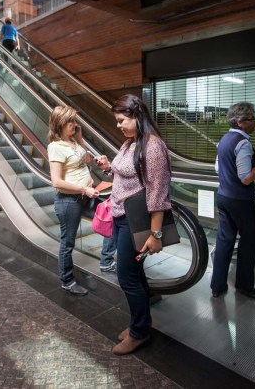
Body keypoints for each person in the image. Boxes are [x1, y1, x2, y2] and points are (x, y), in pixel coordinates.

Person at [95, 94, 172, 355]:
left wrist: (156, 233)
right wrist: (109, 167)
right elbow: (127, 174)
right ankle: (140, 323)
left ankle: (140, 332)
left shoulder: (153, 147)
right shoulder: (131, 143)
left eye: (121, 120)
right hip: (120, 218)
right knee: (135, 274)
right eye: (116, 121)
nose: (118, 126)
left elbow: (158, 193)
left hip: (135, 224)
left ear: (137, 115)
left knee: (127, 276)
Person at [210, 102, 255, 300]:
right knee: (249, 240)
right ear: (240, 122)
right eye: (252, 118)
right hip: (241, 201)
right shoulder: (243, 143)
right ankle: (245, 285)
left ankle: (217, 285)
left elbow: (218, 169)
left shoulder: (224, 140)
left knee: (225, 240)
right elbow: (246, 177)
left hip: (223, 197)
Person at [48, 105, 98, 296]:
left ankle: (107, 261)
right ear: (60, 123)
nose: (74, 125)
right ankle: (67, 281)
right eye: (70, 122)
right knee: (68, 243)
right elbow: (57, 181)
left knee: (111, 221)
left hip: (85, 197)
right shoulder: (55, 147)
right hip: (69, 201)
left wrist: (79, 139)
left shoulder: (73, 142)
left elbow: (86, 161)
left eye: (74, 121)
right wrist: (84, 188)